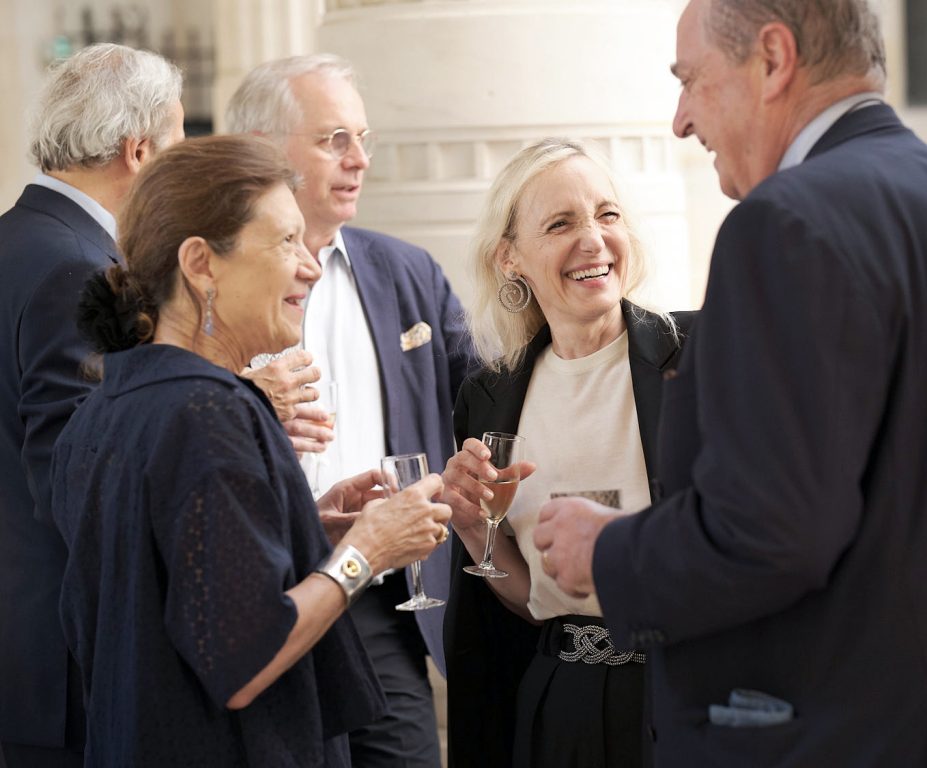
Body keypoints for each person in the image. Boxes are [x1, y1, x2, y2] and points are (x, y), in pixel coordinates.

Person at [535, 1, 927, 766]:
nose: (679, 120)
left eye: (691, 80)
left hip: (836, 733)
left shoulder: (786, 223)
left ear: (773, 58)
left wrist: (609, 553)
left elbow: (772, 531)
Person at [49, 134, 453, 767]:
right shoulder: (210, 412)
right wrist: (363, 551)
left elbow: (158, 582)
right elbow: (243, 660)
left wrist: (300, 523)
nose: (312, 266)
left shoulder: (110, 404)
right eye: (286, 241)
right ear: (201, 264)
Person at [226, 55, 471, 767]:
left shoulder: (407, 273)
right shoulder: (208, 282)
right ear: (264, 147)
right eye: (334, 138)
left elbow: (479, 396)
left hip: (378, 602)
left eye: (361, 137)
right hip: (257, 602)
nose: (359, 159)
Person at [441, 138, 696, 768]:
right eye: (561, 224)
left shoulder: (699, 355)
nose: (593, 240)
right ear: (510, 259)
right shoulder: (489, 396)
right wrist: (477, 535)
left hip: (685, 691)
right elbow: (530, 600)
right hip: (561, 698)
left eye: (606, 215)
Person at [0, 43, 184, 767]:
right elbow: (77, 477)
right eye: (177, 141)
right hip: (65, 664)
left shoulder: (15, 240)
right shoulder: (79, 266)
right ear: (139, 151)